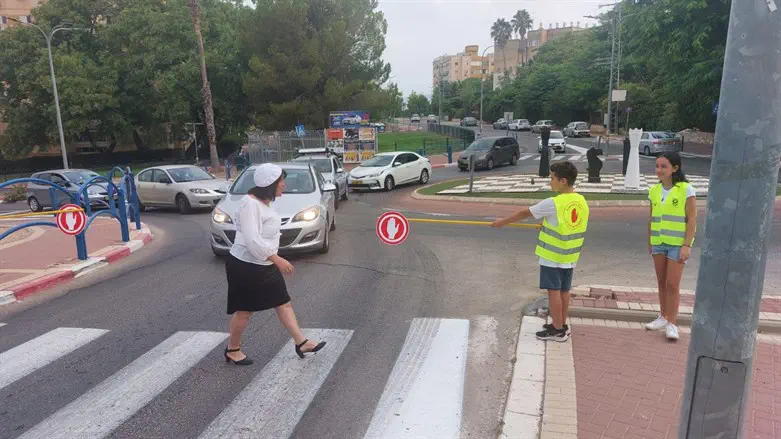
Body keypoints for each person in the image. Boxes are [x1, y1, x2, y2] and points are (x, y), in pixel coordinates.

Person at [224, 163, 326, 365]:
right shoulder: (249, 204)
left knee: (283, 302)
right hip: (246, 265)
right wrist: (276, 259)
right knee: (244, 311)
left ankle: (301, 342)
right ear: (270, 184)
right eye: (281, 181)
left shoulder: (264, 202)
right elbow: (252, 240)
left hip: (263, 263)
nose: (284, 185)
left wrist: (271, 259)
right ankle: (232, 349)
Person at [492, 161, 589, 342]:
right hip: (570, 255)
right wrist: (546, 225)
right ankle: (561, 324)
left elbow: (524, 212)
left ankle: (558, 330)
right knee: (564, 291)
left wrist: (502, 222)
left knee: (553, 291)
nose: (550, 182)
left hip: (553, 256)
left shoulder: (553, 203)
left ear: (563, 181)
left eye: (552, 178)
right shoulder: (581, 200)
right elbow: (567, 223)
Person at [645, 152, 697, 341]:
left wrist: (687, 245)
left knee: (672, 284)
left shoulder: (686, 189)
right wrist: (650, 241)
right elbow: (651, 218)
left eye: (664, 166)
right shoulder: (653, 191)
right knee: (661, 282)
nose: (659, 170)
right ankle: (663, 317)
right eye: (657, 166)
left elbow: (692, 219)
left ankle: (672, 324)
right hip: (659, 243)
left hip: (677, 245)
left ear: (675, 168)